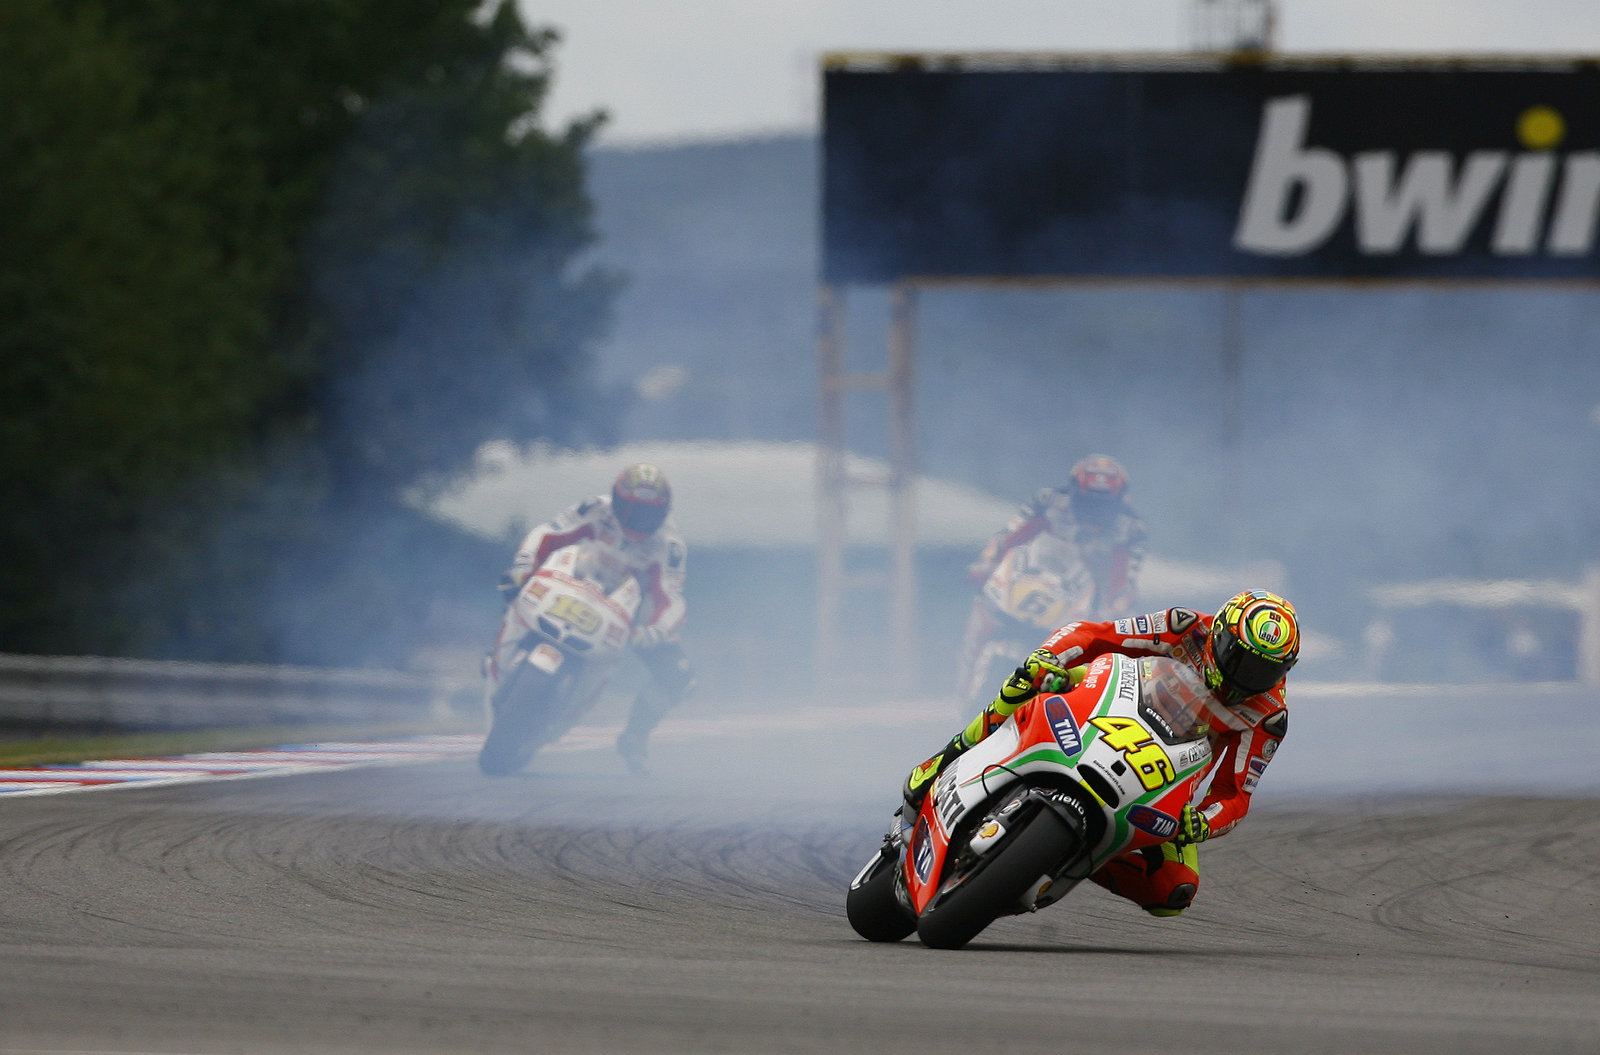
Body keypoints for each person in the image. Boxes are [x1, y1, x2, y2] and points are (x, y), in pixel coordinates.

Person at [903, 589, 1299, 918]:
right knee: (1028, 680)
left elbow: (1234, 794)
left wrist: (1203, 823)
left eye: (1264, 671)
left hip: (1159, 778)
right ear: (1220, 635)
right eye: (1240, 659)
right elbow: (1094, 634)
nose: (1246, 677)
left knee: (1173, 890)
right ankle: (944, 760)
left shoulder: (1268, 716)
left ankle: (1075, 854)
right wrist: (1050, 656)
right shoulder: (1184, 626)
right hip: (1103, 707)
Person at [501, 463, 692, 774]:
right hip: (576, 583)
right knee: (511, 585)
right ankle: (499, 657)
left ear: (664, 511)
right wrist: (524, 565)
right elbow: (547, 533)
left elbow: (671, 598)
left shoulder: (670, 544)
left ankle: (634, 740)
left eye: (649, 514)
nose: (639, 521)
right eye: (631, 510)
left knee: (680, 676)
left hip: (629, 612)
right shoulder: (595, 509)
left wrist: (655, 631)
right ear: (616, 500)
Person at [955, 454, 1149, 706]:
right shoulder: (1049, 501)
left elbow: (1125, 577)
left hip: (1082, 596)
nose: (1095, 510)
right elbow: (1009, 535)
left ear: (1119, 501)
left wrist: (1116, 610)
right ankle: (963, 699)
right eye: (1089, 501)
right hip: (1030, 577)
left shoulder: (1131, 527)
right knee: (980, 618)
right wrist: (986, 564)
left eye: (1104, 505)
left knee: (1099, 653)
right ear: (1075, 491)